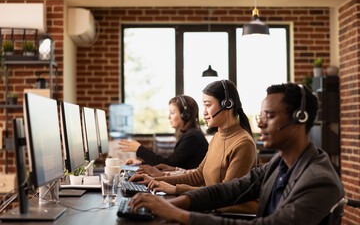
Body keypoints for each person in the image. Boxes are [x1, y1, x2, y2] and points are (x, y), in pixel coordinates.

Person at [129, 83, 344, 225]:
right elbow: (228, 190)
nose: (260, 123)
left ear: (300, 117)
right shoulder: (280, 163)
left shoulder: (319, 180)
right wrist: (171, 204)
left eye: (269, 115)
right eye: (261, 115)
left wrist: (180, 214)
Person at [130, 80, 258, 213]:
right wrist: (155, 180)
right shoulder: (217, 138)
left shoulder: (243, 143)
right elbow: (197, 176)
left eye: (208, 105)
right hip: (209, 206)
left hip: (228, 214)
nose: (204, 113)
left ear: (227, 104)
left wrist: (175, 189)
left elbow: (224, 194)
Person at [118, 95, 208, 169]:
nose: (169, 117)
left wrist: (139, 149)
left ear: (185, 115)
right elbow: (171, 164)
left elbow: (169, 165)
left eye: (172, 113)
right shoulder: (190, 134)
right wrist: (141, 163)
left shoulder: (192, 137)